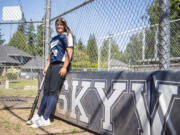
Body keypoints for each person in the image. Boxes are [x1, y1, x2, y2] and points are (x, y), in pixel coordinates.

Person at [27, 18, 73, 128]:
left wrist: (65, 67)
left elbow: (69, 52)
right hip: (52, 66)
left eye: (61, 24)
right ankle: (38, 115)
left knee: (52, 92)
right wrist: (47, 66)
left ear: (64, 25)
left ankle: (46, 118)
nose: (59, 26)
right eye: (57, 25)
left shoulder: (67, 35)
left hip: (60, 65)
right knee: (46, 92)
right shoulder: (53, 38)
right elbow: (51, 54)